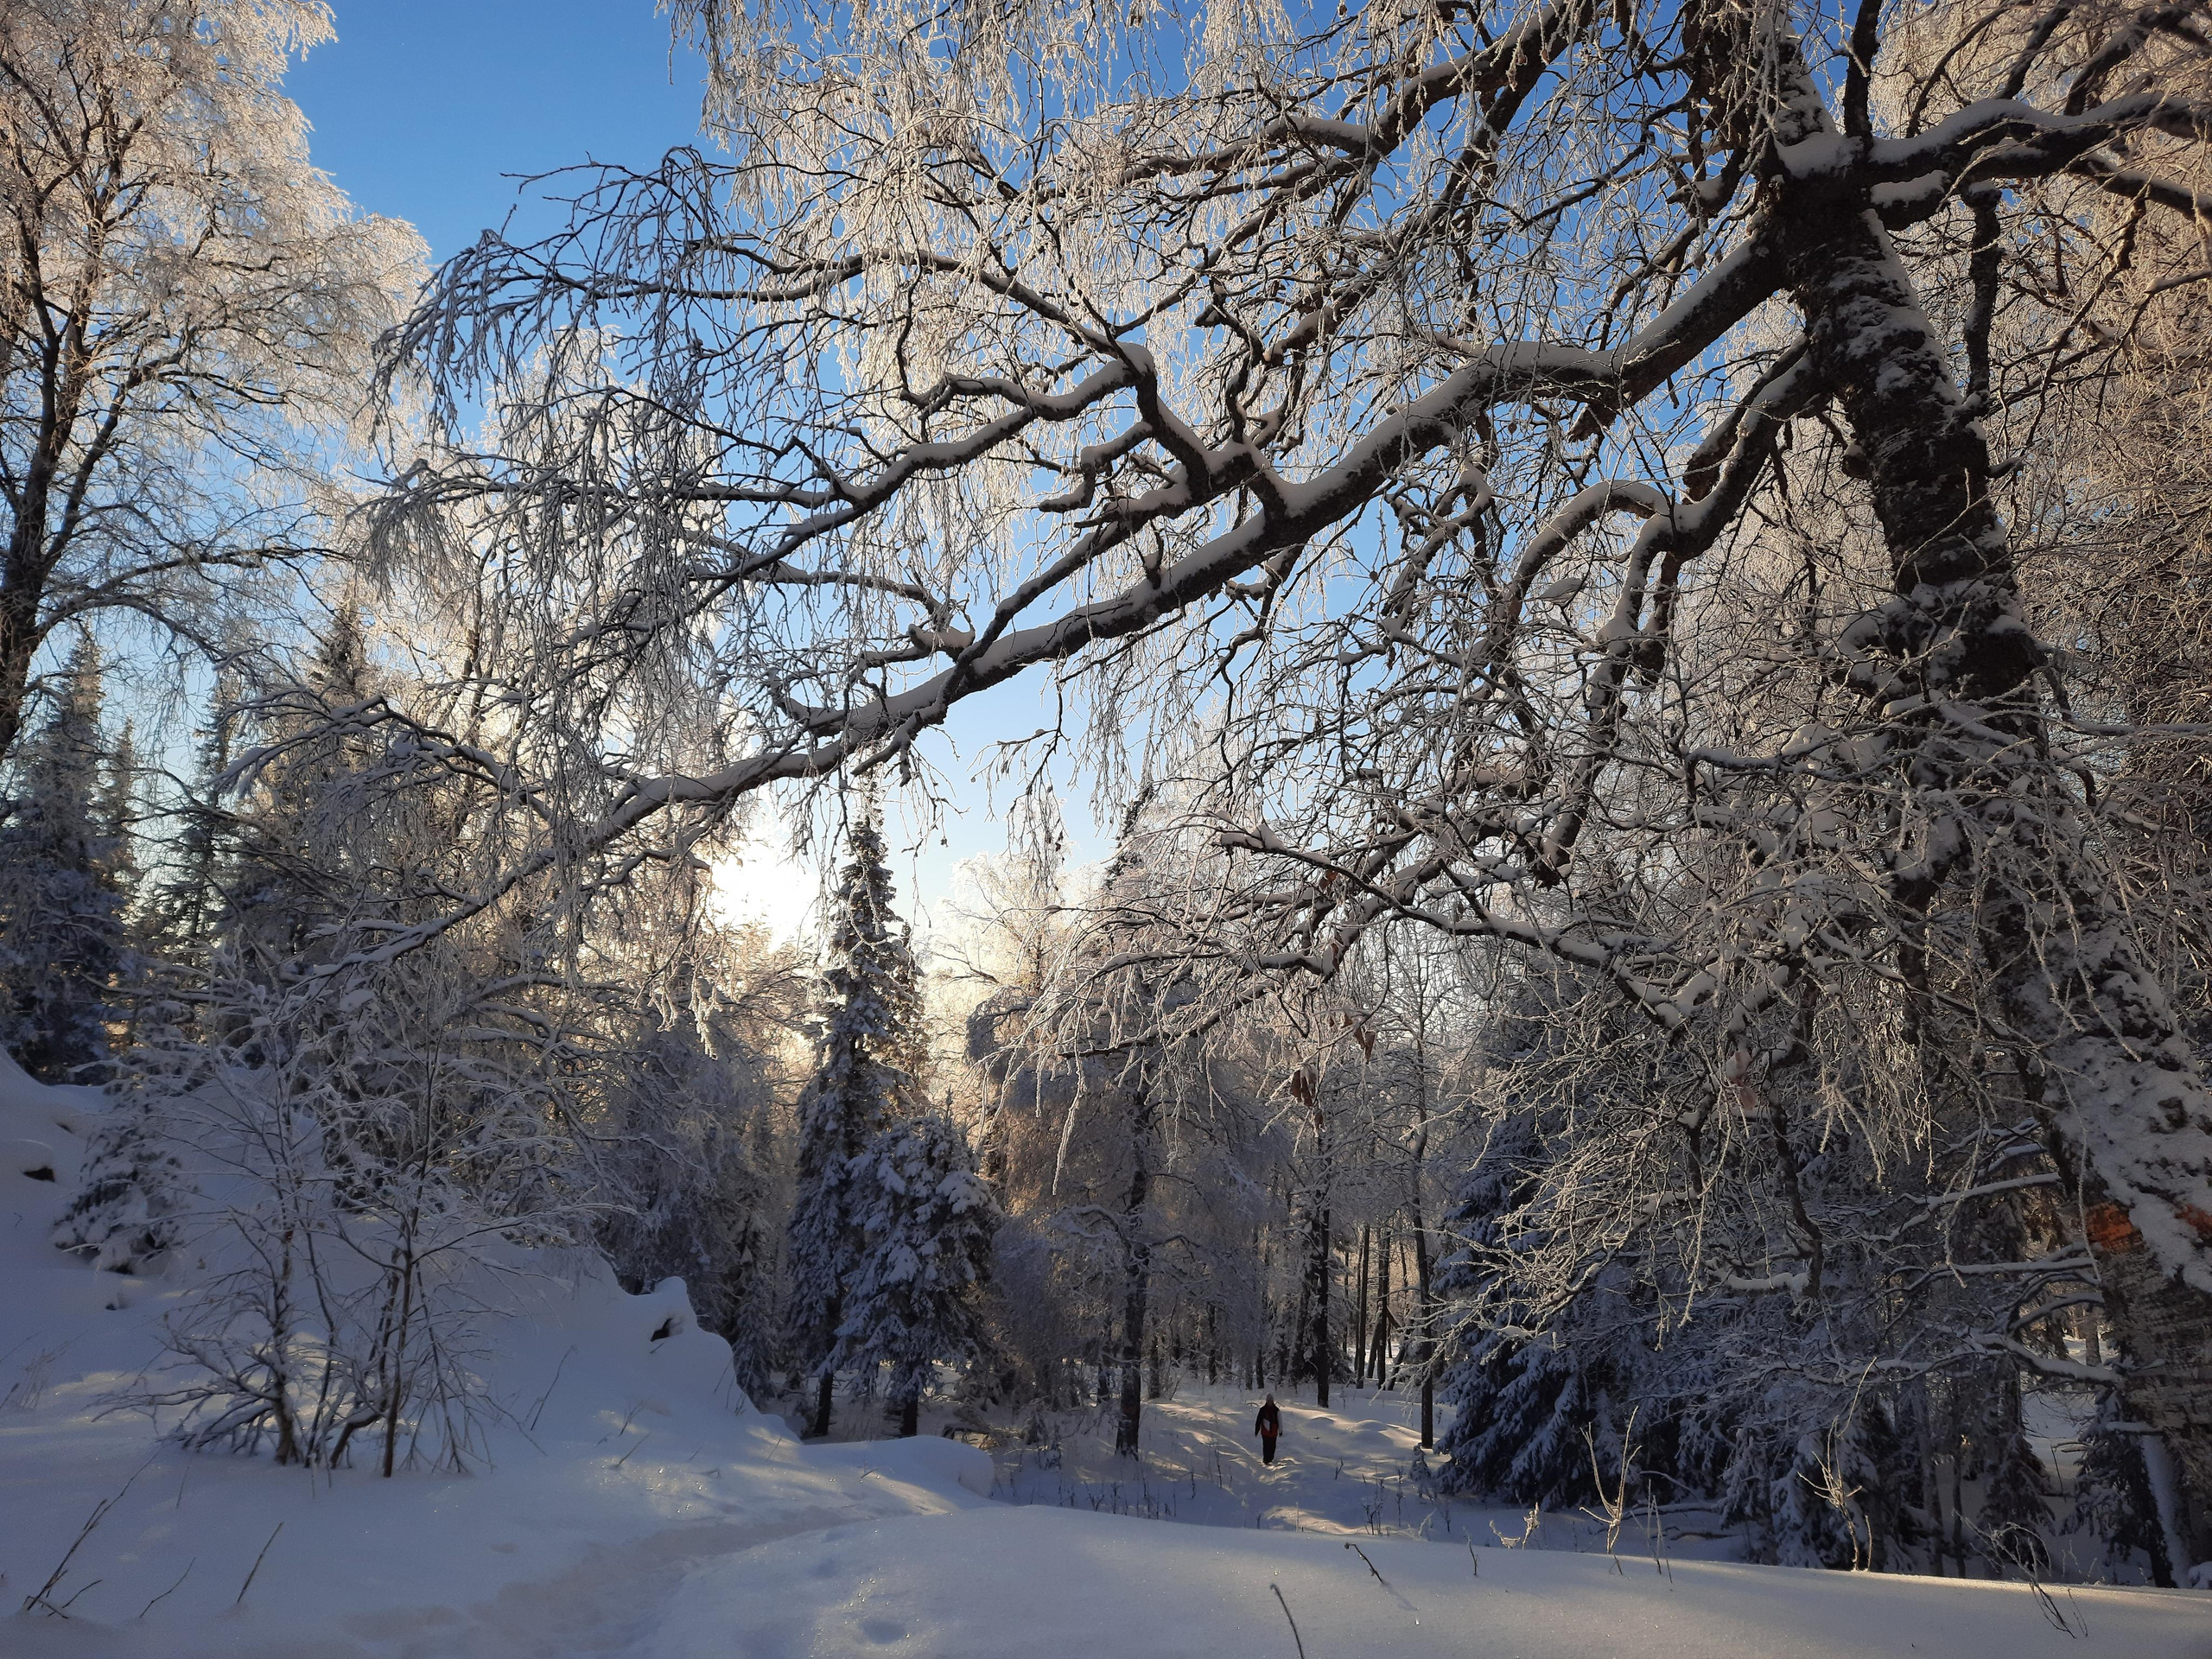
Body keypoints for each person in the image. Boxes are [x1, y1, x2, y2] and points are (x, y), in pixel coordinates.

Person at [1254, 1394, 1281, 1465]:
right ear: (1266, 1401)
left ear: (1273, 1401)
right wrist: (1257, 1430)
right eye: (1268, 1401)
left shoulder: (1276, 1410)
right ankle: (1266, 1459)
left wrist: (1280, 1431)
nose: (1270, 1402)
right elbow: (1258, 1420)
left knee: (1272, 1446)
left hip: (1273, 1432)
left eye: (1271, 1401)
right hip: (1265, 1432)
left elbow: (1280, 1421)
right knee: (1266, 1446)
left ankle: (1271, 1458)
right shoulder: (1262, 1410)